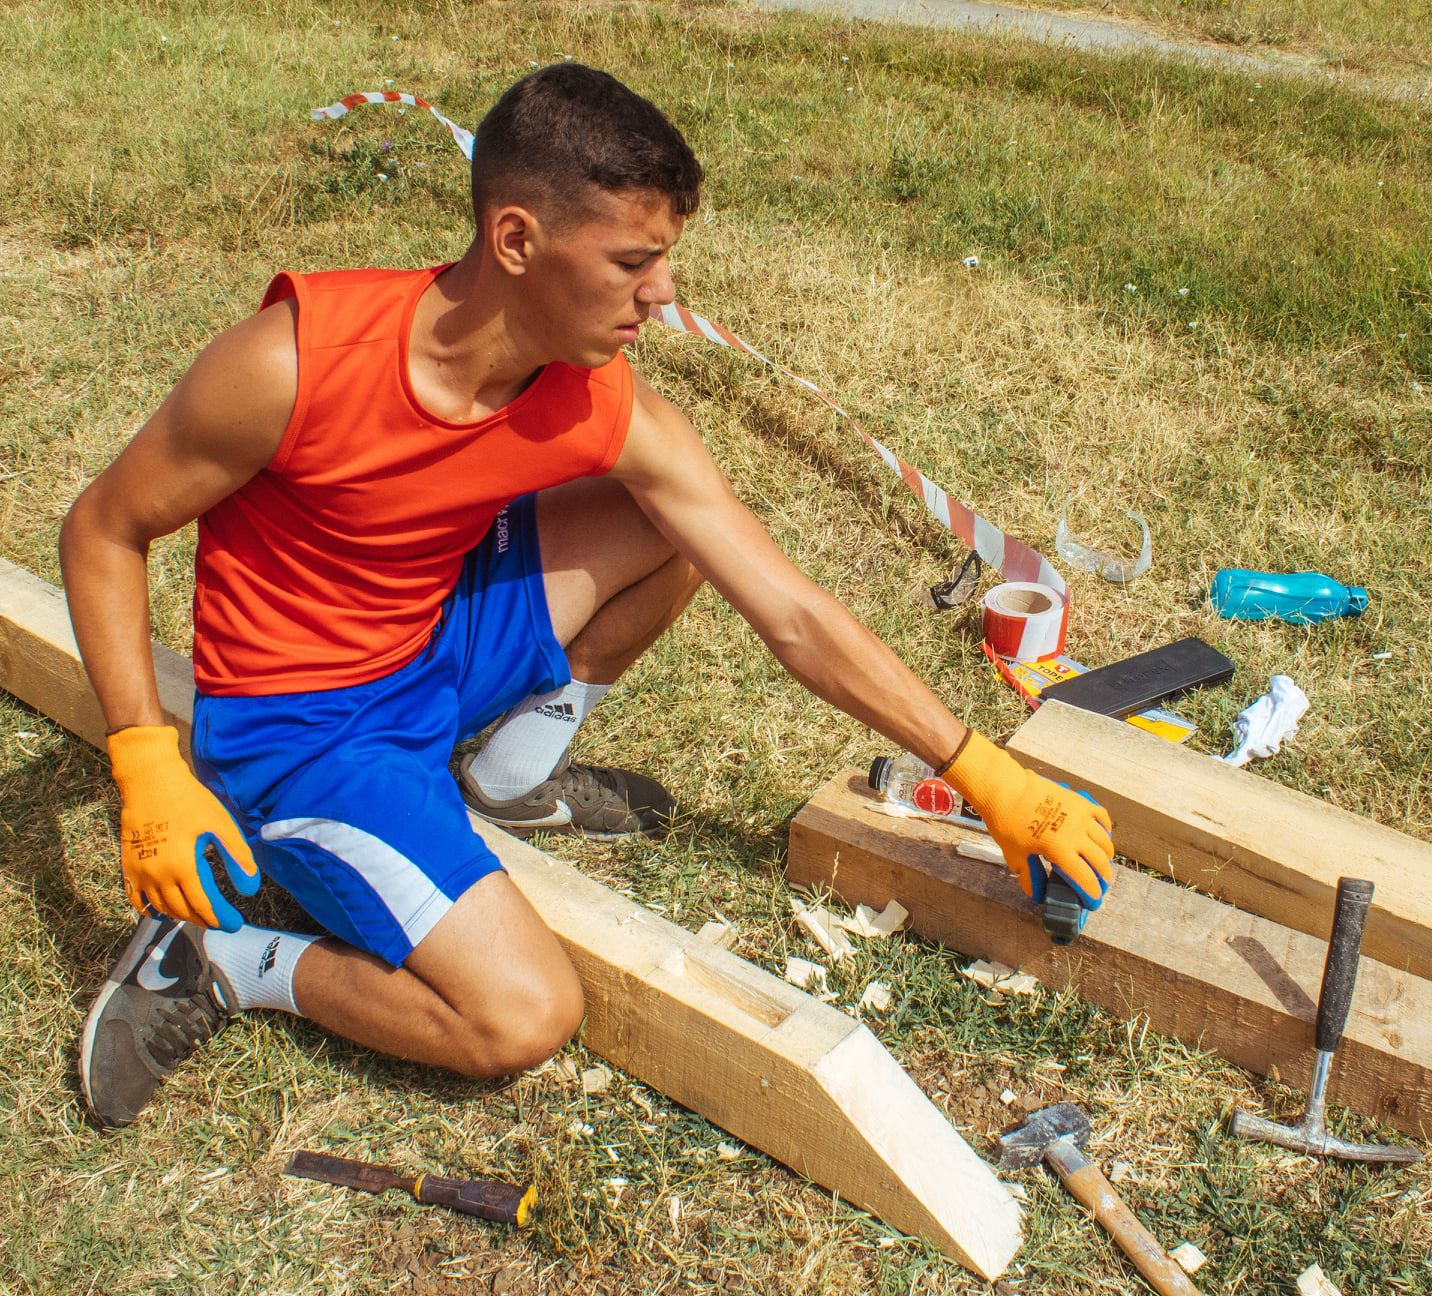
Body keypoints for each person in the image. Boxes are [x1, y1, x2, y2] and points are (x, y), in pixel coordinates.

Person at [59, 63, 1114, 1129]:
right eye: (633, 262)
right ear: (517, 240)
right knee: (520, 1016)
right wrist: (146, 762)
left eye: (665, 260)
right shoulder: (294, 366)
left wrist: (985, 774)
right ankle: (226, 961)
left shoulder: (595, 398)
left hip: (435, 638)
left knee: (676, 524)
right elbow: (104, 528)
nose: (664, 295)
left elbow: (789, 608)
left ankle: (509, 776)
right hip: (311, 735)